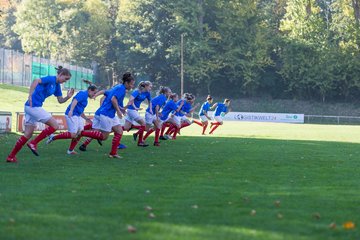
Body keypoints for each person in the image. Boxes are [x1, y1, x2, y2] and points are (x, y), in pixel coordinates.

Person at [6, 66, 74, 163]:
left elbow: (60, 100)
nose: (65, 81)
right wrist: (30, 95)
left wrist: (68, 97)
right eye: (65, 78)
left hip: (31, 107)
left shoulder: (57, 86)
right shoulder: (51, 79)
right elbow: (36, 80)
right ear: (60, 74)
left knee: (27, 134)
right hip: (34, 106)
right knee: (55, 125)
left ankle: (11, 156)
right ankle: (34, 143)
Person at [84, 72, 135, 158]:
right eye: (131, 84)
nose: (132, 86)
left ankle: (113, 153)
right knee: (104, 137)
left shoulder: (118, 87)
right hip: (106, 114)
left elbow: (112, 98)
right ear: (126, 83)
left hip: (109, 114)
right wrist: (119, 111)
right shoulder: (121, 89)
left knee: (119, 131)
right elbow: (113, 99)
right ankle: (81, 133)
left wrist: (123, 108)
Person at [46, 80, 99, 154]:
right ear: (90, 90)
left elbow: (80, 111)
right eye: (94, 93)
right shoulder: (83, 94)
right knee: (73, 134)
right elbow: (75, 100)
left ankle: (70, 150)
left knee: (80, 133)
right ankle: (53, 137)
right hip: (71, 115)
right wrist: (71, 110)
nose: (95, 95)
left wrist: (86, 119)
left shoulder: (85, 96)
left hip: (77, 115)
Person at [123, 81, 152, 147]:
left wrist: (150, 109)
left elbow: (150, 101)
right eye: (150, 87)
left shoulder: (147, 93)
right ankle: (140, 142)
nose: (150, 88)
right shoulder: (137, 91)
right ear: (146, 86)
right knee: (143, 123)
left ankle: (110, 129)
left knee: (126, 127)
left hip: (134, 110)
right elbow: (131, 100)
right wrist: (135, 107)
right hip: (131, 110)